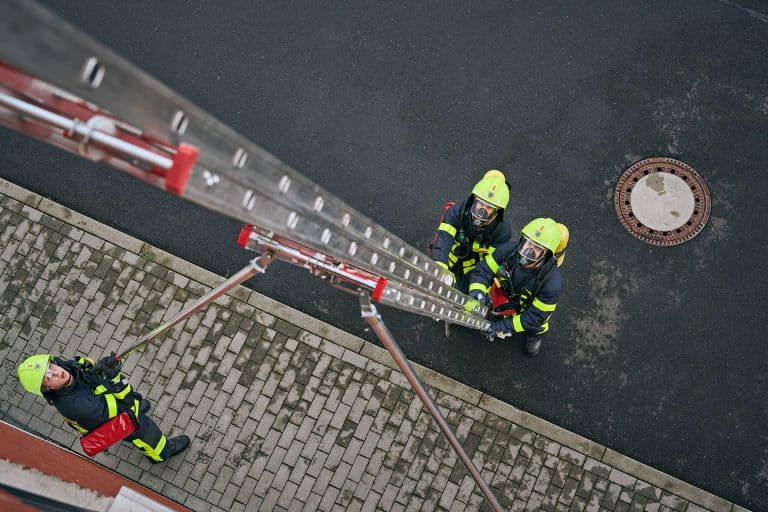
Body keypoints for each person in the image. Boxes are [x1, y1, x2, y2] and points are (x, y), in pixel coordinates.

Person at [17, 353, 189, 463]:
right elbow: (126, 409)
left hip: (103, 406)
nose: (55, 372)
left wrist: (98, 367)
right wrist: (115, 379)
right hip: (115, 418)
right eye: (47, 378)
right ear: (47, 389)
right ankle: (162, 453)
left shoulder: (65, 369)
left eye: (50, 367)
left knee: (135, 404)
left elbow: (83, 365)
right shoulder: (79, 407)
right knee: (144, 430)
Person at [468, 218, 565, 355]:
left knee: (537, 326)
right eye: (527, 243)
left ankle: (534, 336)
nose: (528, 251)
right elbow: (484, 270)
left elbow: (535, 316)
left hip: (531, 310)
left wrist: (503, 326)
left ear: (547, 255)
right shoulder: (508, 251)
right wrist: (476, 292)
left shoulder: (551, 284)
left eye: (537, 248)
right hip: (511, 298)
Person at [431, 170, 513, 293]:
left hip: (475, 260)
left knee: (467, 289)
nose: (482, 211)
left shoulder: (502, 230)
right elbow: (443, 244)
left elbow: (489, 264)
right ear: (474, 199)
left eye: (489, 207)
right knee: (437, 268)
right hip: (454, 249)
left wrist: (477, 288)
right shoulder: (456, 212)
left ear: (498, 212)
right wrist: (440, 272)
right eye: (480, 203)